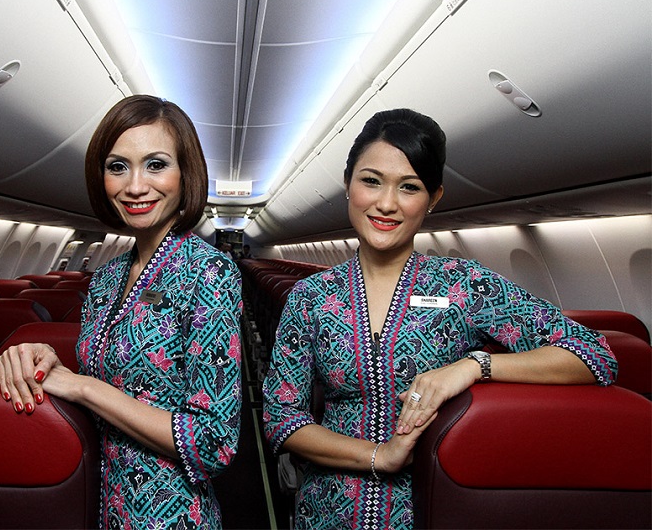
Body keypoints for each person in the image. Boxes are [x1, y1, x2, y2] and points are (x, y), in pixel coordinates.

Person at [261, 108, 617, 530]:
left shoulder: (464, 286)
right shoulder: (310, 298)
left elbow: (594, 355)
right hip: (327, 511)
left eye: (409, 187)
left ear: (433, 198)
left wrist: (474, 367)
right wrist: (380, 456)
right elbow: (282, 420)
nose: (386, 203)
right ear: (348, 185)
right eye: (371, 181)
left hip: (430, 508)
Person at [0, 95, 243, 529]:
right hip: (99, 503)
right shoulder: (105, 279)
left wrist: (83, 388)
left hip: (171, 516)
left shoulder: (210, 272)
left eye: (156, 165)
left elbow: (213, 442)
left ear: (186, 174)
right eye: (117, 167)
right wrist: (45, 359)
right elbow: (115, 377)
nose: (135, 186)